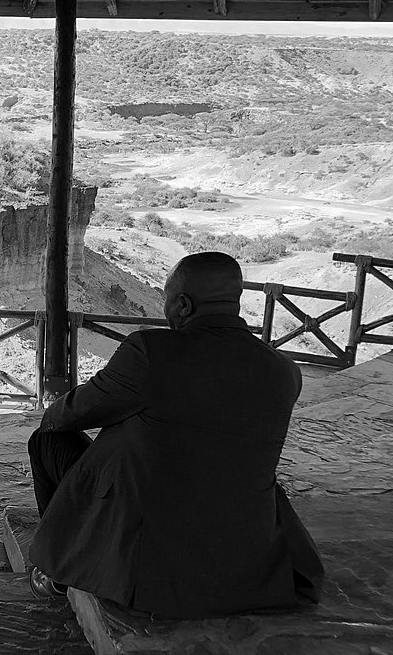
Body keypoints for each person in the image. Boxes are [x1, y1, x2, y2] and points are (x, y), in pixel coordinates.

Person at [26, 251, 324, 619]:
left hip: (149, 563)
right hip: (242, 553)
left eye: (168, 300)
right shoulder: (283, 370)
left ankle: (60, 565)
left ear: (182, 305)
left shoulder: (152, 352)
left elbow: (68, 415)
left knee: (46, 440)